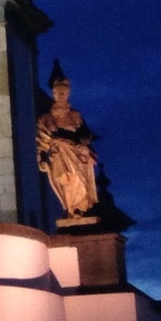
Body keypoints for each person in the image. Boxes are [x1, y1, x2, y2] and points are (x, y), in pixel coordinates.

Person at [36, 71, 99, 218]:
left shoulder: (75, 115)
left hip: (76, 154)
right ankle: (72, 208)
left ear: (68, 94)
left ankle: (80, 210)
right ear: (54, 95)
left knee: (80, 183)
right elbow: (42, 140)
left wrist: (83, 144)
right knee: (65, 179)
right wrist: (42, 157)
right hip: (59, 155)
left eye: (64, 93)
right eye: (58, 93)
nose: (61, 95)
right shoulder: (46, 118)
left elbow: (85, 133)